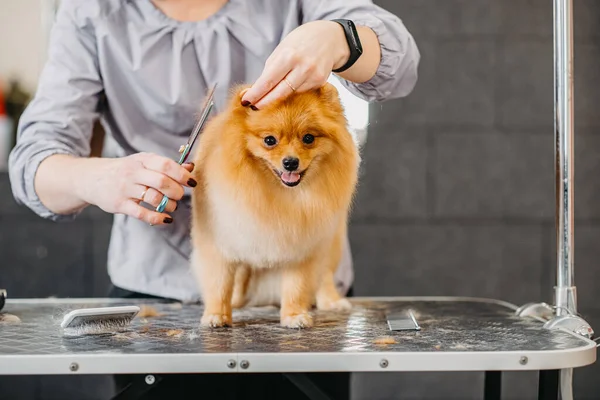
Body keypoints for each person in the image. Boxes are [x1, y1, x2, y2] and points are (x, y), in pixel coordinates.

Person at [9, 0, 420, 398]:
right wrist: (98, 177)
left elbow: (400, 65)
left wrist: (339, 37)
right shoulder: (91, 10)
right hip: (159, 294)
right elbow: (33, 161)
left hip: (303, 301)